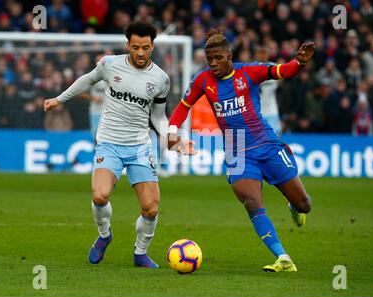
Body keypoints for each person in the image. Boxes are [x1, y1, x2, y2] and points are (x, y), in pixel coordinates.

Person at [167, 29, 314, 273]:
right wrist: (172, 131)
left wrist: (299, 62)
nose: (213, 63)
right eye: (209, 59)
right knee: (251, 201)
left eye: (218, 58)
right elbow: (184, 106)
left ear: (229, 56)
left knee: (304, 204)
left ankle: (292, 206)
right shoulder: (203, 80)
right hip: (236, 149)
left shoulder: (249, 72)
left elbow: (282, 71)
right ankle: (282, 257)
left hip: (265, 143)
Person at [43, 21, 171, 268]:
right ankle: (104, 236)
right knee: (100, 195)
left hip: (139, 147)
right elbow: (86, 80)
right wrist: (59, 99)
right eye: (136, 47)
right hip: (109, 143)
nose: (141, 53)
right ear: (128, 45)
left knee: (151, 208)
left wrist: (174, 141)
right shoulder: (110, 64)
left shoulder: (161, 79)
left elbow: (158, 117)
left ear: (152, 46)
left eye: (146, 47)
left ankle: (140, 253)